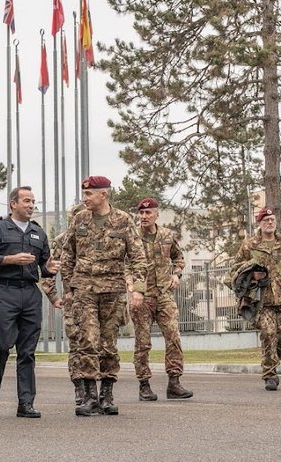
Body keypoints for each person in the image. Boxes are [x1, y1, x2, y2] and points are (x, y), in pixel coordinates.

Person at [59, 175, 147, 417]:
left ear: (103, 195)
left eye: (89, 194)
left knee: (108, 344)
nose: (84, 198)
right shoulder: (80, 219)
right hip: (84, 290)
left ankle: (106, 395)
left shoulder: (123, 220)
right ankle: (89, 397)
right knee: (87, 340)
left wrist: (138, 288)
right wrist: (68, 288)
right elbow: (68, 255)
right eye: (84, 193)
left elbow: (138, 257)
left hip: (113, 290)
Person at [0, 186, 55, 418]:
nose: (31, 206)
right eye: (26, 201)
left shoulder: (39, 233)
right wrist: (9, 259)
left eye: (33, 202)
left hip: (30, 294)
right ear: (13, 204)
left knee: (27, 351)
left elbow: (44, 267)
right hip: (5, 292)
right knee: (1, 344)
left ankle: (26, 403)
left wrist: (50, 269)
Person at [231, 206, 281, 391]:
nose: (269, 223)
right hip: (261, 300)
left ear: (276, 222)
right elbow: (235, 269)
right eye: (266, 220)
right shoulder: (250, 245)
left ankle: (272, 362)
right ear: (260, 223)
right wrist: (251, 273)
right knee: (269, 332)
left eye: (272, 220)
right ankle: (269, 374)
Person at [131, 198, 193, 401]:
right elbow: (124, 263)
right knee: (143, 342)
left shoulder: (166, 235)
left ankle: (174, 383)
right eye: (141, 213)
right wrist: (132, 287)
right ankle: (144, 385)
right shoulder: (132, 237)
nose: (144, 217)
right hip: (142, 296)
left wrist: (177, 274)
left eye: (148, 213)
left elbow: (178, 257)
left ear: (157, 214)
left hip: (164, 295)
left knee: (173, 337)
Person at [40, 203, 85, 406]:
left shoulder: (99, 238)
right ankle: (79, 387)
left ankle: (98, 390)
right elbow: (48, 272)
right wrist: (53, 297)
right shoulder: (62, 241)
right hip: (73, 301)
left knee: (101, 345)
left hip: (100, 300)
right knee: (76, 345)